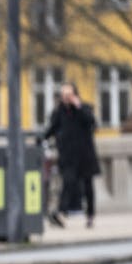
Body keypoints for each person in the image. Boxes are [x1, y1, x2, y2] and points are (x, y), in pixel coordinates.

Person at [44, 82, 100, 228]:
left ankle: (90, 215)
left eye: (69, 95)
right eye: (64, 95)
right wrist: (40, 140)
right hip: (68, 156)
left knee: (88, 186)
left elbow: (92, 123)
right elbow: (51, 129)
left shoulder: (84, 108)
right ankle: (61, 213)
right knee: (68, 182)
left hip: (85, 154)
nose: (66, 98)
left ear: (75, 95)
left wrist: (79, 106)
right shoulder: (59, 112)